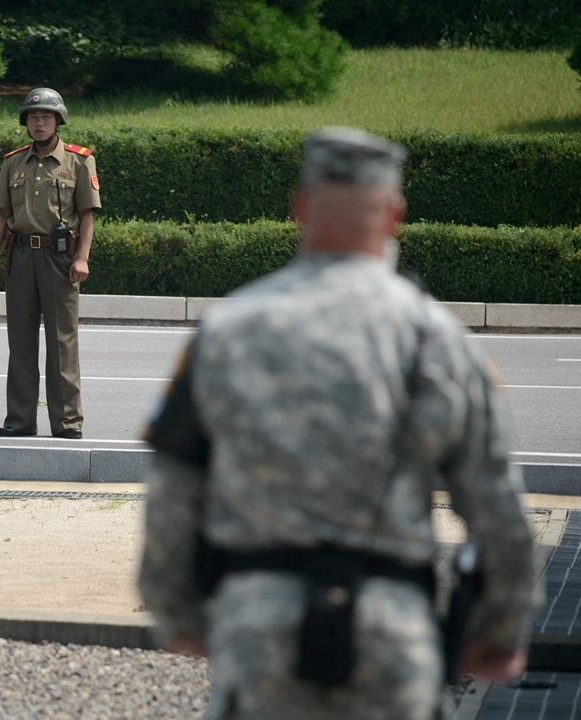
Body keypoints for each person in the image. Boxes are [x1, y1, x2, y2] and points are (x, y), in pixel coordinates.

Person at [138, 127, 540, 719]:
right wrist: (501, 628)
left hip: (258, 622)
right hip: (392, 626)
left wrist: (176, 612)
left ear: (299, 207)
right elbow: (497, 503)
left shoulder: (228, 329)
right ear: (395, 214)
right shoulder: (438, 339)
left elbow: (174, 486)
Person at [0, 88, 100, 439]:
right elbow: (2, 215)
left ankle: (66, 421)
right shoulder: (13, 162)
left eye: (45, 117)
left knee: (62, 341)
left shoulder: (79, 161)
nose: (38, 123)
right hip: (20, 256)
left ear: (58, 121)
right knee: (20, 340)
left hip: (59, 257)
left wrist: (82, 257)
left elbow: (87, 214)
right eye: (33, 118)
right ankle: (19, 419)